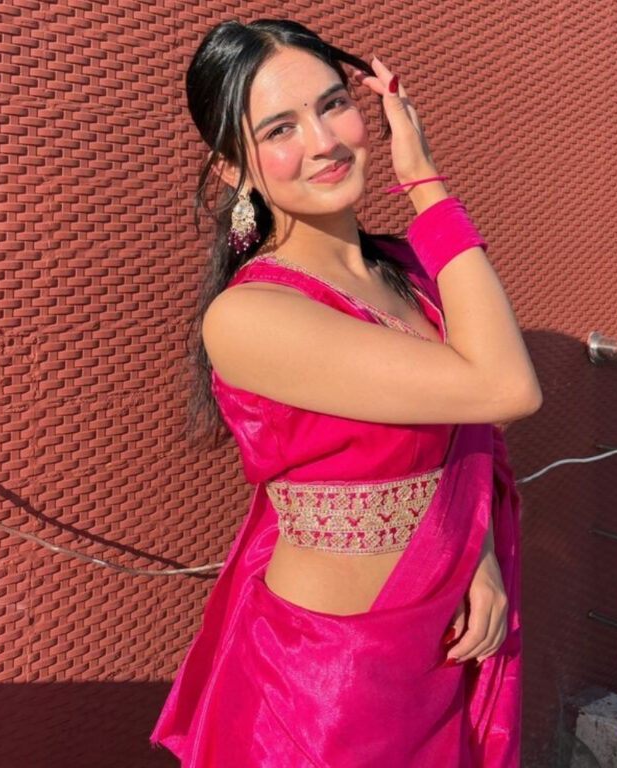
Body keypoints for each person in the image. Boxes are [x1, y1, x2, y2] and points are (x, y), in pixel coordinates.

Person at [149, 17, 542, 768]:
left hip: (447, 643)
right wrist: (425, 181)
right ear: (233, 166)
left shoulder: (409, 272)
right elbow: (504, 387)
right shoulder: (251, 315)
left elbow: (470, 430)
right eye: (281, 127)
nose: (326, 141)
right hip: (333, 676)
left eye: (334, 104)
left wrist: (480, 553)